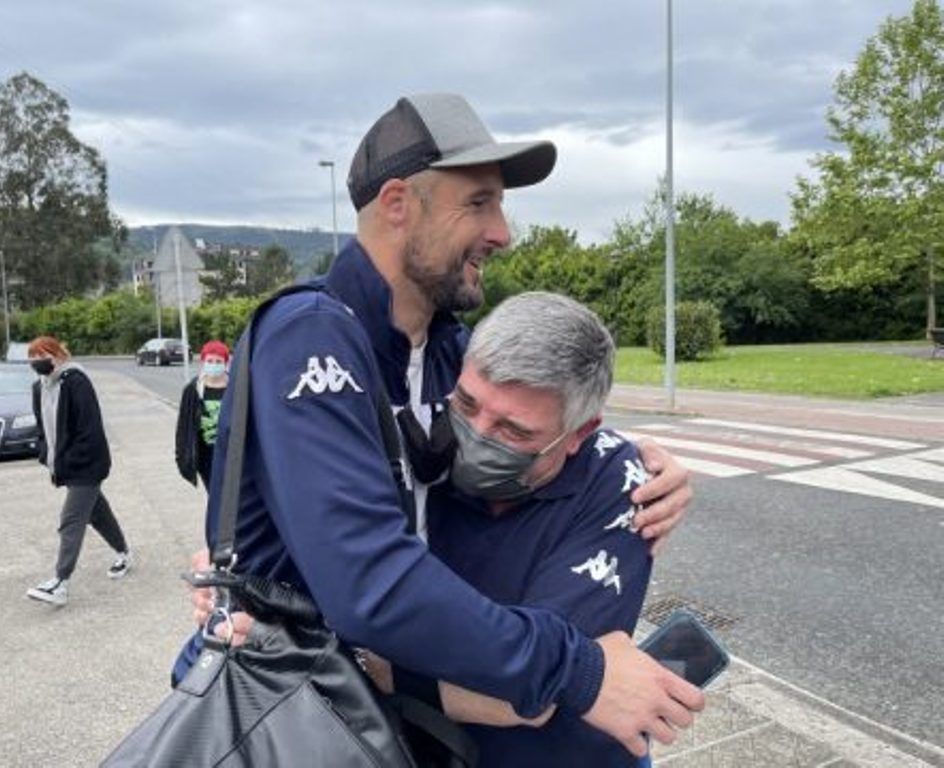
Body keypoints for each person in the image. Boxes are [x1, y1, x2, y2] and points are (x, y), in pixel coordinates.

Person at [179, 93, 700, 758]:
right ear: (399, 204)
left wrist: (630, 460)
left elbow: (527, 415)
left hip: (391, 726)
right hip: (292, 719)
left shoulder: (447, 349)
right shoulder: (313, 337)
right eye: (479, 202)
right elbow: (370, 584)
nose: (503, 231)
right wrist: (582, 671)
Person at [362, 292, 665, 766]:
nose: (478, 435)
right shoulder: (422, 452)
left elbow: (528, 697)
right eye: (467, 402)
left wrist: (380, 672)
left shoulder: (621, 483)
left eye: (514, 432)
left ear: (580, 434)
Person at [26, 336, 131, 607]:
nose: (37, 362)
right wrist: (47, 457)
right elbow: (42, 430)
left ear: (59, 355)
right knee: (98, 513)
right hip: (63, 464)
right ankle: (124, 553)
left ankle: (60, 582)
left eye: (43, 356)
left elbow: (89, 429)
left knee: (71, 520)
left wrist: (69, 461)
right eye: (33, 357)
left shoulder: (76, 381)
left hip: (88, 464)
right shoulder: (39, 388)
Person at [175, 339, 230, 491]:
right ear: (203, 362)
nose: (214, 364)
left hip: (232, 453)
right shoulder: (193, 390)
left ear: (225, 363)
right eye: (210, 360)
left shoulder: (235, 388)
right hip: (207, 455)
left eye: (218, 361)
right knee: (215, 493)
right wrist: (181, 455)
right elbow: (183, 425)